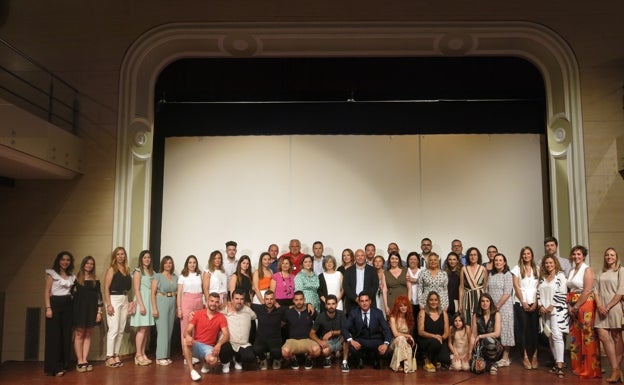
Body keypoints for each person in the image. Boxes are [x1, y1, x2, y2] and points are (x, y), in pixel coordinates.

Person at [566, 245, 601, 379]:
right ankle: (578, 367)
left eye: (579, 254)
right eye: (574, 254)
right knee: (576, 337)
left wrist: (576, 306)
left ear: (584, 256)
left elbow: (587, 290)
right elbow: (570, 290)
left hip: (585, 304)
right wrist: (570, 305)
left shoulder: (587, 269)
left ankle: (589, 369)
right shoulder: (572, 270)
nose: (576, 256)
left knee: (587, 336)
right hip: (573, 303)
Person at [182, 292, 229, 381]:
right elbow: (186, 331)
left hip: (209, 347)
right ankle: (192, 371)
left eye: (216, 302)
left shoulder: (221, 317)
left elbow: (226, 335)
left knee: (213, 361)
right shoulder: (198, 314)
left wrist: (219, 344)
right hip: (197, 345)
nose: (213, 304)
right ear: (207, 301)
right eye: (211, 301)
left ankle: (206, 364)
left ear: (218, 303)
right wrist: (188, 336)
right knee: (185, 341)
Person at [593, 247, 624, 383]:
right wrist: (600, 306)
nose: (609, 257)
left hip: (614, 307)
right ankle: (616, 369)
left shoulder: (621, 271)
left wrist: (608, 306)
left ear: (616, 257)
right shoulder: (601, 273)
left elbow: (620, 291)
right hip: (601, 309)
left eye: (612, 255)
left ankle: (615, 371)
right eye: (607, 255)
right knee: (603, 336)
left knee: (617, 336)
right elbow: (595, 291)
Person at [44, 251, 76, 376]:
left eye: (68, 260)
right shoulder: (51, 274)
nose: (65, 262)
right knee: (54, 336)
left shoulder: (71, 276)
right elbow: (47, 292)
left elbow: (73, 291)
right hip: (54, 305)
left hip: (68, 305)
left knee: (66, 335)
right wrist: (48, 308)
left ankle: (64, 364)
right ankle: (54, 366)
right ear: (58, 260)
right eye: (63, 259)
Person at [537, 255, 569, 379]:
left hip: (557, 310)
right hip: (545, 312)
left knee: (557, 335)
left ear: (555, 263)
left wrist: (551, 306)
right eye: (546, 263)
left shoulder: (560, 276)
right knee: (549, 336)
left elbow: (562, 293)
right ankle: (556, 362)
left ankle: (560, 365)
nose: (548, 265)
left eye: (550, 262)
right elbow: (538, 293)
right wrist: (540, 306)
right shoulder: (543, 278)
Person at [342, 291, 392, 370]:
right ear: (358, 302)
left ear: (370, 301)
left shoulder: (378, 312)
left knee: (385, 351)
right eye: (362, 301)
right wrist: (351, 341)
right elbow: (345, 328)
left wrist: (385, 344)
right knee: (353, 348)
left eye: (366, 300)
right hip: (360, 340)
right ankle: (359, 360)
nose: (364, 303)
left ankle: (377, 360)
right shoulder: (353, 313)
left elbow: (387, 330)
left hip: (375, 340)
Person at [511, 246, 540, 370]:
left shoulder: (537, 268)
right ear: (521, 256)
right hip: (520, 302)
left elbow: (540, 286)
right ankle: (525, 357)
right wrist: (523, 301)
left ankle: (534, 356)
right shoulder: (516, 269)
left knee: (534, 330)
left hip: (534, 302)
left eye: (528, 253)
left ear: (532, 255)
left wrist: (536, 302)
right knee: (522, 330)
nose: (526, 256)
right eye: (524, 254)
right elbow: (516, 286)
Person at [72, 256, 102, 373]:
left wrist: (99, 312)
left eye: (91, 264)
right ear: (83, 264)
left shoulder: (96, 279)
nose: (89, 265)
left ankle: (85, 359)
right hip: (79, 309)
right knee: (79, 334)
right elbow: (70, 294)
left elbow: (99, 296)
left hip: (92, 310)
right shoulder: (76, 278)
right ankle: (79, 360)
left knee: (88, 334)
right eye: (87, 263)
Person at [103, 247, 131, 368]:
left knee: (120, 330)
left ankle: (116, 354)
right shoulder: (112, 269)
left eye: (122, 254)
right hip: (113, 299)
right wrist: (109, 304)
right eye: (118, 254)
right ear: (115, 256)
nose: (121, 256)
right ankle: (109, 356)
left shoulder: (127, 269)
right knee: (113, 329)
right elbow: (106, 288)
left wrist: (128, 302)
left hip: (124, 299)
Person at [220, 289, 258, 372]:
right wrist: (194, 313)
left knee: (250, 357)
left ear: (244, 300)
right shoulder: (225, 309)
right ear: (232, 300)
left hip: (243, 343)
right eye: (236, 299)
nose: (239, 301)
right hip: (229, 342)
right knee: (224, 348)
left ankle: (238, 359)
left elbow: (255, 316)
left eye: (241, 299)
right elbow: (212, 311)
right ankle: (226, 364)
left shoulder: (248, 310)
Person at [487, 253, 514, 368]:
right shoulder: (491, 275)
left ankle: (506, 358)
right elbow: (487, 291)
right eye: (496, 260)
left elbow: (507, 293)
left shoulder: (507, 275)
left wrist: (497, 306)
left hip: (504, 307)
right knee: (495, 330)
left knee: (505, 330)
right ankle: (497, 355)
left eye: (500, 260)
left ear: (504, 262)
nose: (498, 262)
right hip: (492, 308)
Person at [281, 291, 321, 369]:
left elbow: (319, 325)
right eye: (296, 300)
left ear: (304, 300)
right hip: (293, 340)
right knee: (284, 352)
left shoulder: (311, 311)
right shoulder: (288, 312)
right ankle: (293, 359)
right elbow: (281, 325)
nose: (299, 302)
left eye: (301, 299)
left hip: (308, 340)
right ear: (293, 301)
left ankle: (309, 359)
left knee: (317, 350)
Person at [150, 255, 178, 366]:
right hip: (161, 302)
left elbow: (177, 292)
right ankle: (160, 356)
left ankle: (166, 355)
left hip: (172, 302)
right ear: (163, 264)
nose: (168, 265)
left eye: (170, 263)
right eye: (166, 263)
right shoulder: (158, 276)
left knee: (169, 330)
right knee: (162, 330)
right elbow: (152, 293)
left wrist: (176, 308)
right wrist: (155, 308)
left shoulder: (175, 277)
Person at [309, 294, 348, 370]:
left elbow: (345, 330)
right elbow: (311, 333)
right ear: (326, 305)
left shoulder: (341, 314)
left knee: (347, 335)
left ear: (336, 305)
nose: (331, 306)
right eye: (329, 304)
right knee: (325, 351)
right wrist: (320, 342)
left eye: (333, 304)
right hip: (328, 342)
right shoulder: (321, 316)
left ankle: (344, 362)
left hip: (340, 340)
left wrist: (332, 332)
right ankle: (328, 357)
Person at [130, 249, 155, 366]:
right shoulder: (137, 271)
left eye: (149, 257)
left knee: (147, 329)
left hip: (150, 301)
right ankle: (138, 355)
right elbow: (136, 289)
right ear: (141, 259)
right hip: (142, 300)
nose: (147, 259)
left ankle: (143, 353)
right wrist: (141, 305)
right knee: (142, 329)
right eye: (145, 257)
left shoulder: (152, 272)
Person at [252, 290, 287, 370]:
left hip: (275, 340)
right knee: (256, 349)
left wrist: (308, 305)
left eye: (271, 299)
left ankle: (276, 359)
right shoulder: (259, 308)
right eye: (267, 299)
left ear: (274, 300)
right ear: (264, 300)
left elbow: (294, 307)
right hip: (261, 339)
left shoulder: (280, 310)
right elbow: (246, 304)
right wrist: (229, 303)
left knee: (278, 352)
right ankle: (263, 359)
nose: (269, 301)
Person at [417, 291, 450, 372]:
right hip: (426, 340)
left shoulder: (444, 313)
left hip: (440, 340)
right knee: (435, 342)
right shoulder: (423, 312)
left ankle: (434, 360)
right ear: (428, 301)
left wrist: (441, 338)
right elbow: (420, 332)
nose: (433, 302)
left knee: (446, 359)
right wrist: (434, 336)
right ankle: (426, 359)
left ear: (438, 301)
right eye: (431, 300)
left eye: (435, 300)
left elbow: (447, 332)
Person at [471, 293, 503, 375]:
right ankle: (485, 363)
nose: (485, 303)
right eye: (482, 301)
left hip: (495, 345)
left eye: (487, 301)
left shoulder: (496, 314)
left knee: (488, 340)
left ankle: (493, 363)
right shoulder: (476, 316)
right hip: (481, 346)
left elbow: (497, 334)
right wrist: (469, 353)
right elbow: (473, 335)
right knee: (477, 370)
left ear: (490, 302)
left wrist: (481, 336)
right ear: (480, 303)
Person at [177, 255, 204, 347]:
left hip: (198, 302)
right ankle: (186, 353)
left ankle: (195, 352)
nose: (192, 264)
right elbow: (179, 293)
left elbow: (202, 290)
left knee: (197, 328)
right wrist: (179, 308)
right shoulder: (182, 276)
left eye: (194, 262)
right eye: (190, 262)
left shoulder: (199, 275)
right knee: (185, 327)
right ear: (187, 264)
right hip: (187, 302)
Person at [343, 249, 379, 314]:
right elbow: (346, 286)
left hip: (369, 303)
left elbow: (375, 285)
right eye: (357, 256)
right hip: (352, 303)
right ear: (354, 257)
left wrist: (365, 299)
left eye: (362, 255)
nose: (360, 257)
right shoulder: (348, 271)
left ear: (365, 257)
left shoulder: (372, 270)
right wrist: (356, 298)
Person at [459, 247, 487, 326]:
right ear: (468, 256)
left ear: (478, 256)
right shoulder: (464, 269)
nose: (473, 257)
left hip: (479, 298)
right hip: (468, 298)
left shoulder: (483, 269)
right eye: (471, 255)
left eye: (475, 255)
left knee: (479, 321)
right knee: (467, 321)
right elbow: (461, 287)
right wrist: (460, 304)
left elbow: (485, 287)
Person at [388, 296, 416, 373]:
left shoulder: (409, 318)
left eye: (405, 305)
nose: (403, 308)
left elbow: (409, 333)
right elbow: (395, 334)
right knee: (401, 338)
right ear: (397, 307)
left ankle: (403, 365)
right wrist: (408, 336)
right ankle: (398, 365)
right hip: (394, 342)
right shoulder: (392, 318)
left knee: (403, 340)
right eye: (401, 306)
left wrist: (408, 338)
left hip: (404, 342)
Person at [382, 251, 409, 317]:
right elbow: (384, 290)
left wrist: (408, 302)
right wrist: (386, 306)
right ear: (389, 260)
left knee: (404, 324)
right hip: (391, 301)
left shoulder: (406, 270)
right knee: (392, 323)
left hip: (404, 302)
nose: (394, 260)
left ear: (399, 260)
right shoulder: (385, 273)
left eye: (396, 258)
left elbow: (409, 288)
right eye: (392, 258)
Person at [405, 252, 421, 322]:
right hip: (408, 300)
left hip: (420, 302)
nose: (413, 261)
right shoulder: (405, 271)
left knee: (419, 321)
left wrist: (415, 280)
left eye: (415, 259)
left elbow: (427, 283)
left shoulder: (422, 271)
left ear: (418, 261)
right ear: (408, 261)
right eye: (411, 259)